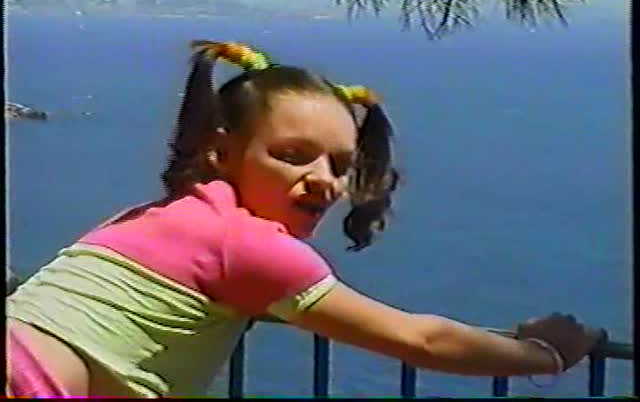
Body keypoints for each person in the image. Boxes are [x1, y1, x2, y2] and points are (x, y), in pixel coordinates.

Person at [6, 40, 603, 398]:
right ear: (222, 152)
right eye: (293, 155)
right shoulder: (250, 247)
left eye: (339, 164)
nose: (324, 179)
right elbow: (421, 339)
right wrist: (547, 355)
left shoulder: (154, 218)